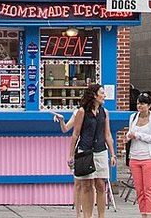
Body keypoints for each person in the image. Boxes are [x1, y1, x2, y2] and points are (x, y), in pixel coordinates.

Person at [52, 83, 113, 218]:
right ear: (94, 96)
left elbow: (107, 134)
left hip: (100, 150)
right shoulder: (82, 111)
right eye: (102, 93)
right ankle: (86, 215)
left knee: (100, 184)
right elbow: (75, 133)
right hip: (85, 150)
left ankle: (101, 215)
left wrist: (113, 153)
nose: (104, 95)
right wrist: (70, 154)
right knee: (86, 185)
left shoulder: (105, 112)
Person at [123, 91, 151, 217]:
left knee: (148, 190)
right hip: (135, 157)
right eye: (139, 103)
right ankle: (143, 214)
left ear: (149, 105)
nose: (140, 106)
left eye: (143, 104)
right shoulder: (133, 117)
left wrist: (139, 135)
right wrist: (128, 137)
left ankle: (150, 214)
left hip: (148, 157)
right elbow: (130, 132)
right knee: (139, 190)